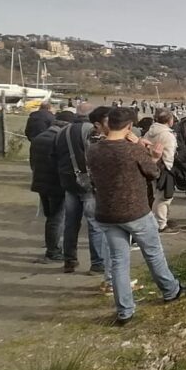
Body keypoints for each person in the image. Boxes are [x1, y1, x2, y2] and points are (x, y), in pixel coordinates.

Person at [87, 107, 186, 326]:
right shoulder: (132, 150)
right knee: (153, 253)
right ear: (129, 127)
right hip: (136, 211)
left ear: (107, 124)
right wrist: (153, 156)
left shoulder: (93, 150)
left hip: (107, 212)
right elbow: (153, 172)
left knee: (118, 261)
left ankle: (125, 311)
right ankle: (171, 290)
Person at [53, 103, 108, 275]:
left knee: (71, 223)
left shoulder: (61, 132)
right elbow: (97, 155)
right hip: (87, 182)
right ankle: (97, 263)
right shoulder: (91, 131)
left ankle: (69, 260)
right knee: (94, 224)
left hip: (68, 181)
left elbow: (54, 155)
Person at [29, 111, 71, 262]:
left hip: (40, 182)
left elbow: (32, 162)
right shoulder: (60, 140)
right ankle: (53, 250)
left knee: (50, 217)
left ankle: (51, 245)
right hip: (56, 184)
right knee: (56, 218)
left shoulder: (38, 138)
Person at [144, 109, 178, 232]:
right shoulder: (167, 135)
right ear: (169, 120)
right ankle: (161, 223)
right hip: (164, 167)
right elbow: (169, 154)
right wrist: (170, 168)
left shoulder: (149, 132)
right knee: (164, 197)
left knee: (156, 195)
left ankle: (159, 220)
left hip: (151, 164)